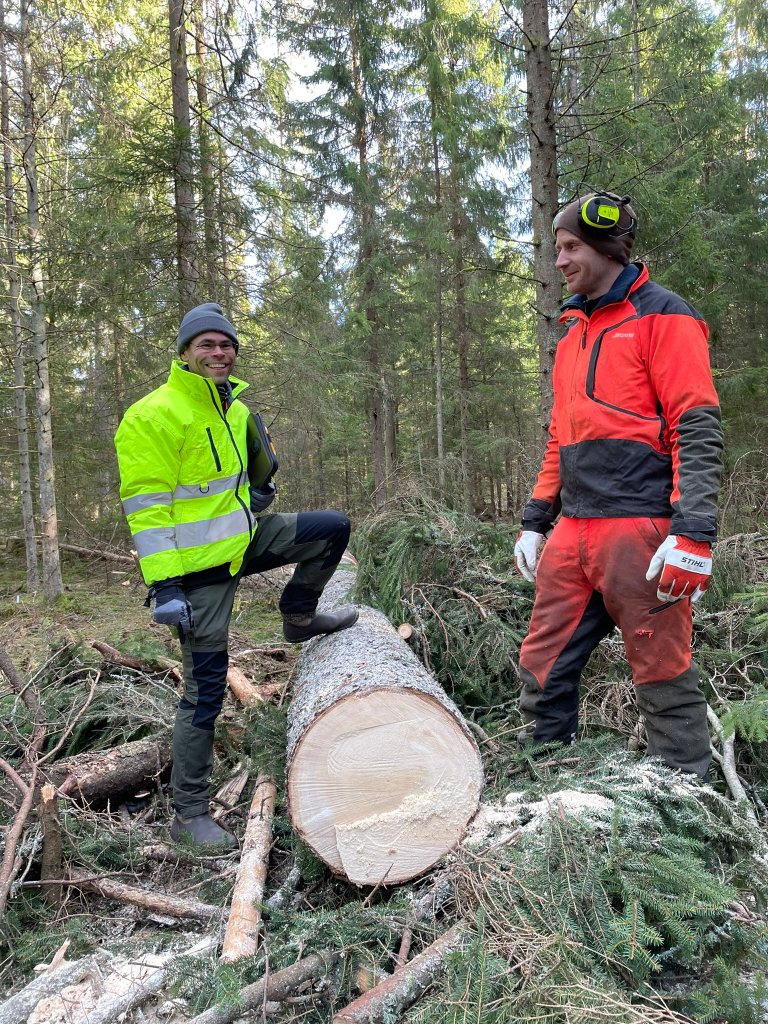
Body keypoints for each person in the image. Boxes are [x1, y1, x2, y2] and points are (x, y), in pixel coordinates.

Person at [115, 302, 358, 847]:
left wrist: (259, 490)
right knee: (204, 692)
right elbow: (148, 511)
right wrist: (165, 584)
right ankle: (190, 813)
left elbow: (240, 480)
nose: (219, 352)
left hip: (244, 543)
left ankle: (298, 617)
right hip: (195, 575)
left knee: (331, 529)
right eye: (207, 344)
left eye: (226, 345)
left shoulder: (237, 411)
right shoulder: (152, 415)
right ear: (184, 353)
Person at [514, 191, 722, 778]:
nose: (560, 260)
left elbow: (696, 425)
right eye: (558, 248)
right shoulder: (571, 335)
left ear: (607, 247)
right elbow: (560, 437)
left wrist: (694, 534)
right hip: (573, 530)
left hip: (641, 530)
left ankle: (685, 804)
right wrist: (535, 519)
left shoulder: (665, 316)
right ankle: (547, 782)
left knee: (661, 667)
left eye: (571, 246)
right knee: (541, 662)